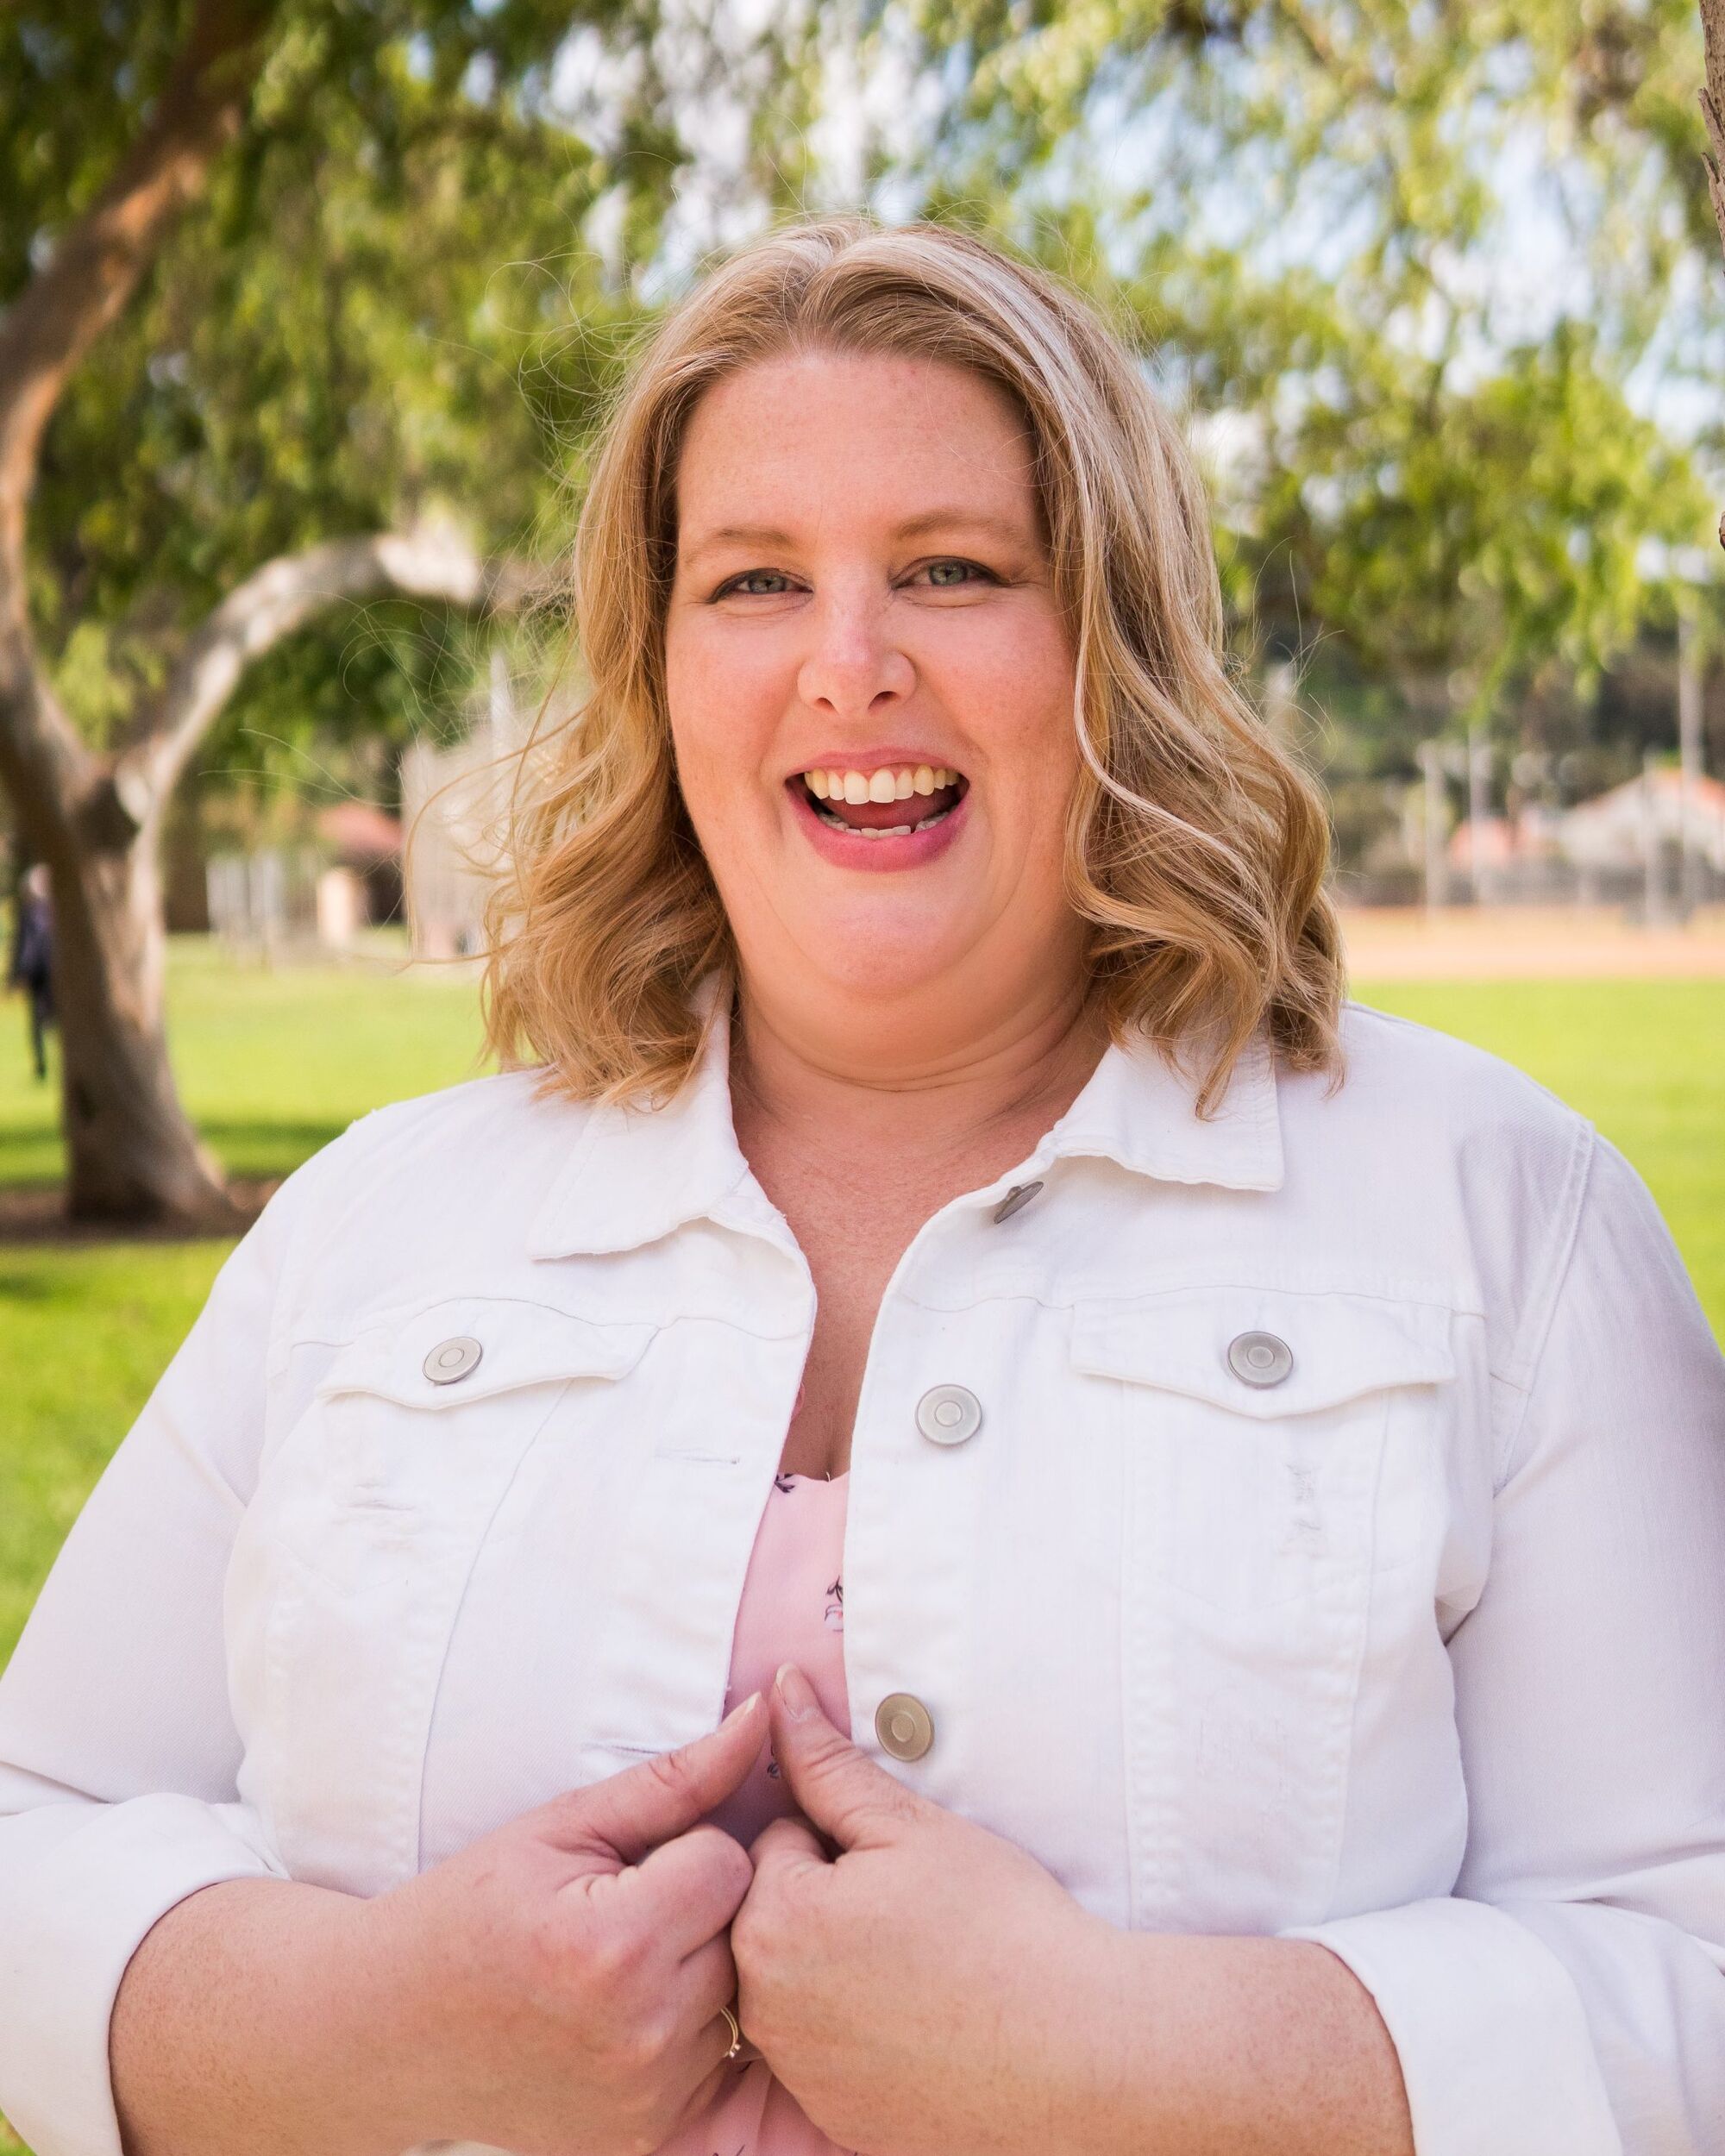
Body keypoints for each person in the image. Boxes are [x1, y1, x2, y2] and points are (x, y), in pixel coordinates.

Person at [0, 213, 1722, 2156]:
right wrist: (388, 2023)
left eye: (951, 568)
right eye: (751, 580)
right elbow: (29, 1831)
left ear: (1114, 639)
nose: (848, 665)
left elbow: (1689, 1977)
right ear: (658, 665)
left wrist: (1114, 2061)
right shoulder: (368, 1236)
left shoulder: (1509, 1222)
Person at [7, 861, 53, 1081]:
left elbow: (25, 947)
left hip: (40, 974)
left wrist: (17, 975)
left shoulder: (32, 913)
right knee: (48, 1020)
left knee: (38, 1022)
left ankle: (43, 1065)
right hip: (51, 973)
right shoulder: (53, 910)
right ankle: (45, 1065)